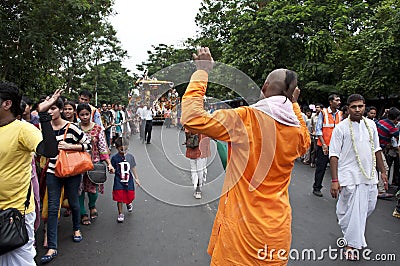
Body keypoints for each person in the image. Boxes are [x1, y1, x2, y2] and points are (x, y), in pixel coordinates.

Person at [181, 47, 310, 265]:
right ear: (290, 96)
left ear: (265, 88)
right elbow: (305, 141)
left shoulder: (246, 119)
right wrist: (294, 105)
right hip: (276, 231)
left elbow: (192, 118)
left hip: (242, 232)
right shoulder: (298, 132)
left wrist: (202, 72)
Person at [0, 81, 59, 266]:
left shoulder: (23, 129)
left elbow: (50, 151)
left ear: (7, 104)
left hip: (15, 214)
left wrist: (43, 116)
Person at [329, 94, 387, 260]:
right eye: (353, 107)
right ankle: (351, 244)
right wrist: (334, 180)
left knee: (368, 206)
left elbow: (377, 149)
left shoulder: (371, 125)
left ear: (364, 107)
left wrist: (382, 172)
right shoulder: (341, 128)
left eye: (360, 106)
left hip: (369, 174)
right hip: (349, 175)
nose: (357, 110)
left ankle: (348, 230)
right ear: (347, 108)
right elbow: (333, 155)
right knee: (355, 210)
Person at [41, 98, 92, 264]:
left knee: (74, 203)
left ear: (60, 110)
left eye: (53, 108)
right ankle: (52, 246)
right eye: (47, 109)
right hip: (52, 173)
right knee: (53, 208)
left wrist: (70, 146)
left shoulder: (72, 128)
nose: (50, 112)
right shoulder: (45, 128)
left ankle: (76, 228)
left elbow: (88, 144)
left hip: (71, 172)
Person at [77, 103, 115, 225]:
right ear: (78, 115)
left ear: (91, 115)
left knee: (94, 190)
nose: (85, 117)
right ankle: (83, 213)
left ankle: (92, 205)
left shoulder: (98, 129)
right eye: (82, 115)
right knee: (79, 189)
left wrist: (108, 163)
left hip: (94, 163)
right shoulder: (74, 128)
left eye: (87, 114)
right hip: (78, 165)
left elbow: (103, 147)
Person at [312, 94, 342, 197]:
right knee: (321, 167)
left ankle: (340, 187)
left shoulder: (340, 114)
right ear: (330, 102)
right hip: (324, 145)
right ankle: (317, 187)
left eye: (339, 100)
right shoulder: (323, 113)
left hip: (336, 146)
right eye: (337, 100)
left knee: (338, 168)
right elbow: (319, 130)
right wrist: (324, 144)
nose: (339, 102)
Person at [111, 137, 141, 223]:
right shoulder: (114, 158)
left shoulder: (130, 157)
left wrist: (137, 178)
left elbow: (133, 167)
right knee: (119, 198)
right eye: (121, 149)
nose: (124, 151)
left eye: (125, 149)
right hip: (118, 180)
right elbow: (112, 168)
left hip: (128, 180)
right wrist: (111, 170)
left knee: (130, 196)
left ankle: (128, 203)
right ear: (117, 148)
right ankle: (120, 213)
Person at [376, 107, 400, 198]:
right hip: (377, 149)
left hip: (373, 147)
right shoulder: (392, 128)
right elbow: (397, 139)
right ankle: (381, 191)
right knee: (384, 168)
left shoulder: (381, 121)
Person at [185, 129, 211, 199]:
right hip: (202, 148)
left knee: (194, 169)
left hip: (193, 146)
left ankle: (197, 188)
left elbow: (187, 131)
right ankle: (198, 188)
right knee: (201, 170)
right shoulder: (206, 120)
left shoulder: (190, 120)